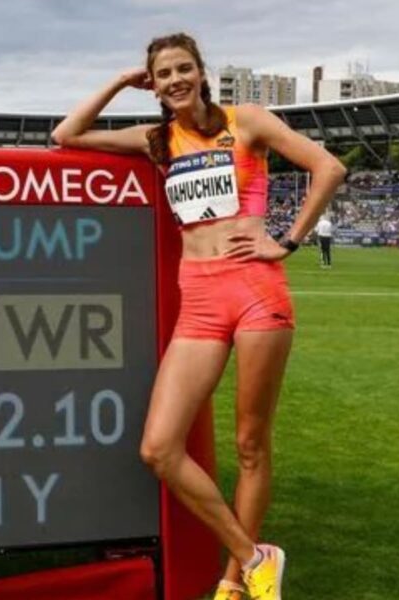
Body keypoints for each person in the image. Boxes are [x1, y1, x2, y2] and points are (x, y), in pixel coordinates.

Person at [52, 33, 346, 600]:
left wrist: (286, 240)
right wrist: (117, 82)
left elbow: (327, 168)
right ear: (154, 86)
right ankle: (255, 555)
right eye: (163, 74)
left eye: (184, 68)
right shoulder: (156, 139)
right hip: (201, 300)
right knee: (159, 447)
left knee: (251, 444)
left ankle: (235, 584)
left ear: (202, 71)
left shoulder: (249, 120)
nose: (176, 79)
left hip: (257, 290)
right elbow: (66, 135)